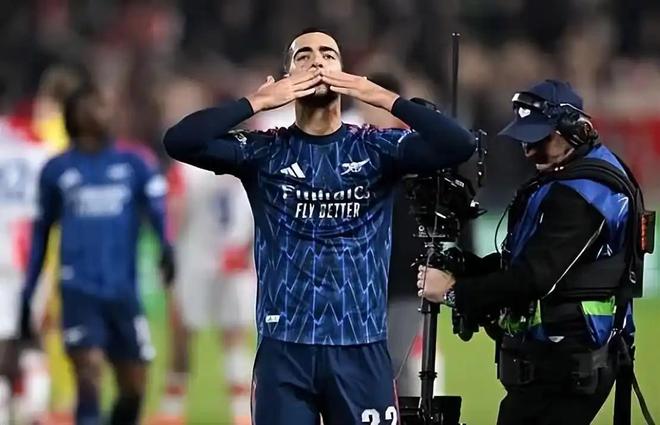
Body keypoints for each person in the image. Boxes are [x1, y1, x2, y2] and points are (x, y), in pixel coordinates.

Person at [163, 28, 475, 425]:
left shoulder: (377, 148)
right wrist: (257, 101)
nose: (317, 62)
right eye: (303, 56)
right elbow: (180, 141)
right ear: (288, 77)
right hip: (284, 350)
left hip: (360, 345)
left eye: (328, 54)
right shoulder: (264, 152)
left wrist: (376, 93)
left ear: (344, 73)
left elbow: (459, 144)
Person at [417, 80, 639, 425]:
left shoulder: (583, 195)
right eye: (524, 140)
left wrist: (453, 292)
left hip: (567, 362)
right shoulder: (568, 179)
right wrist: (470, 269)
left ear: (575, 131)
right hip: (560, 359)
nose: (529, 151)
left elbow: (535, 277)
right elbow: (529, 261)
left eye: (539, 139)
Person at [20, 83, 175, 425]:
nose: (102, 113)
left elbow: (157, 212)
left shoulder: (134, 163)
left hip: (123, 292)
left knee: (134, 385)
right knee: (88, 372)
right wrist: (28, 292)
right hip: (78, 290)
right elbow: (41, 232)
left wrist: (167, 247)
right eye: (93, 106)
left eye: (104, 106)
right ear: (74, 115)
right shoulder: (57, 169)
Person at [161, 161, 256, 425]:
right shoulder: (246, 159)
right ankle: (241, 412)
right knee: (232, 336)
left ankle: (172, 410)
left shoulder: (186, 166)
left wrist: (168, 250)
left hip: (200, 261)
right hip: (227, 257)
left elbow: (174, 213)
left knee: (186, 334)